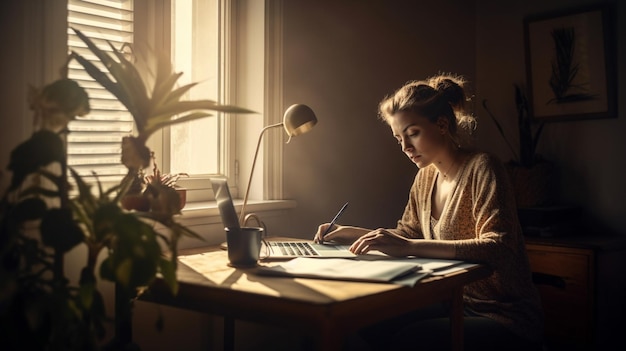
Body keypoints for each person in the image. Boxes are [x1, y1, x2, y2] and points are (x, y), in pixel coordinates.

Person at [313, 74, 544, 350]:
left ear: (442, 124)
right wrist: (348, 233)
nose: (405, 147)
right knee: (365, 321)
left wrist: (408, 246)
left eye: (412, 133)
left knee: (411, 340)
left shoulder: (484, 168)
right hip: (454, 303)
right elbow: (406, 234)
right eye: (399, 138)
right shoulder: (425, 178)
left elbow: (499, 248)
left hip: (504, 316)